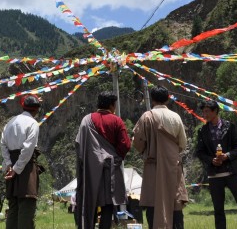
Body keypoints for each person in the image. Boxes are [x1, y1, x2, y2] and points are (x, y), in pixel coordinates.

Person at [194, 100, 237, 229]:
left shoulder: (230, 126)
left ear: (215, 111)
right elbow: (199, 152)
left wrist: (226, 156)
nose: (204, 114)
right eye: (203, 111)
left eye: (207, 111)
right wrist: (211, 160)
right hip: (214, 175)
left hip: (232, 173)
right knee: (218, 211)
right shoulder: (202, 131)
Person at [74, 90, 131, 229]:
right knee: (107, 206)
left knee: (89, 203)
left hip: (90, 171)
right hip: (110, 170)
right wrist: (116, 157)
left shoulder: (86, 120)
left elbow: (78, 144)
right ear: (112, 105)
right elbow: (125, 145)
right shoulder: (116, 120)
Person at [132, 86, 187, 229]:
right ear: (168, 99)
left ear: (152, 99)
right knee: (175, 204)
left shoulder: (147, 117)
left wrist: (147, 151)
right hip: (173, 167)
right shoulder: (176, 117)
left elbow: (137, 142)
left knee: (153, 204)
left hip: (153, 167)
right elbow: (182, 143)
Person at [1, 94, 43, 229]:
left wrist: (9, 165)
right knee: (26, 205)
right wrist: (16, 169)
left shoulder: (10, 122)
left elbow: (3, 144)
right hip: (26, 167)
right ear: (36, 110)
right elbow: (27, 149)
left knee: (13, 206)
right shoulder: (33, 124)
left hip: (11, 166)